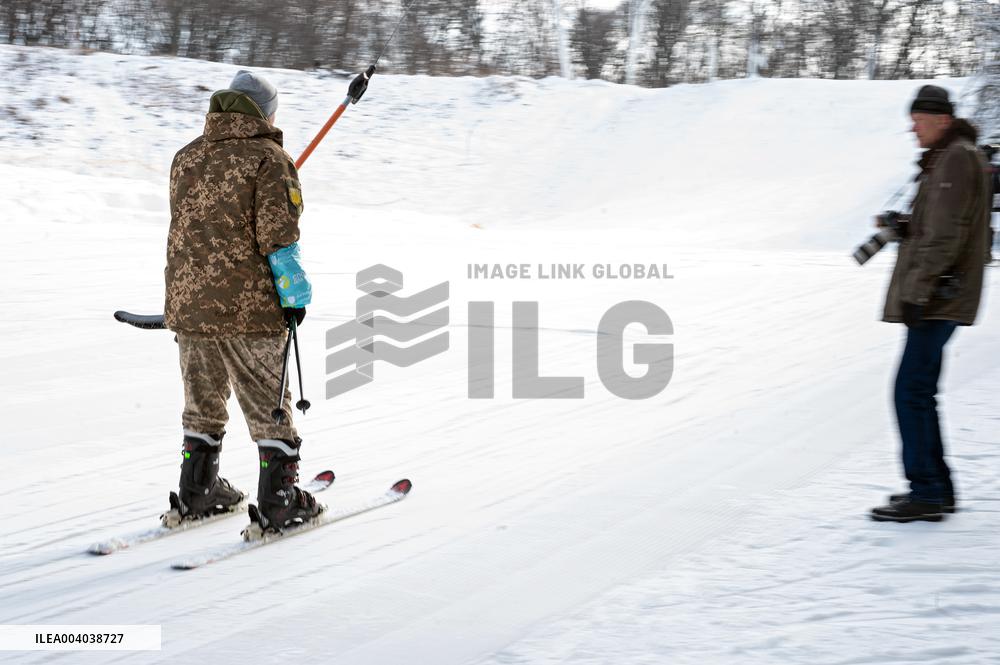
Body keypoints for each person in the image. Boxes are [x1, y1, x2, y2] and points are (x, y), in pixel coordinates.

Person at [163, 70, 320, 531]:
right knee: (269, 406)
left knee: (201, 403)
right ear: (264, 112)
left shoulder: (186, 157)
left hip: (189, 306)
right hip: (248, 310)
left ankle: (197, 491)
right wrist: (295, 297)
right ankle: (280, 502)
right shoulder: (270, 160)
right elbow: (279, 241)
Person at [871, 85, 992, 523]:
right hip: (943, 291)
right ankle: (937, 489)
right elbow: (941, 225)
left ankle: (926, 492)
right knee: (920, 392)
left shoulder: (955, 158)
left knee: (910, 393)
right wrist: (907, 226)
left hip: (939, 295)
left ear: (941, 119)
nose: (912, 128)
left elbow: (946, 236)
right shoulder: (954, 157)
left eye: (918, 121)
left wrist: (918, 292)